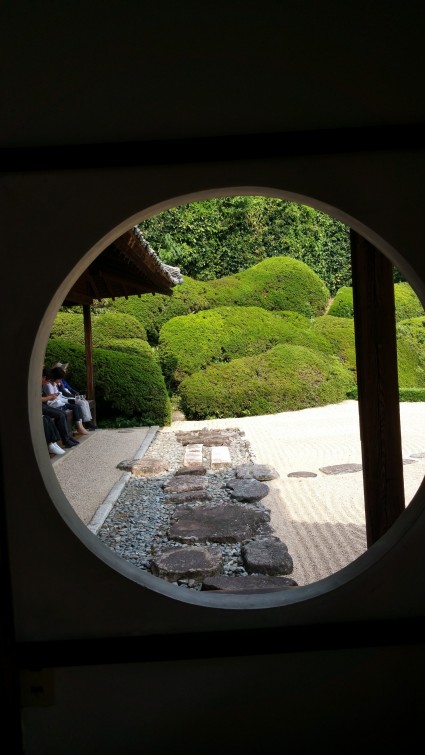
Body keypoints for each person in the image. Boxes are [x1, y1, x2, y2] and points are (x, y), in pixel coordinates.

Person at [42, 368, 89, 437]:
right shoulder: (48, 385)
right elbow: (53, 398)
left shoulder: (54, 384)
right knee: (74, 408)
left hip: (59, 402)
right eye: (60, 379)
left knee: (77, 406)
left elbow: (58, 395)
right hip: (55, 404)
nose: (61, 381)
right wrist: (67, 400)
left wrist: (69, 399)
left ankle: (80, 426)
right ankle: (77, 428)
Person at [51, 362, 97, 430]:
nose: (65, 370)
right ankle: (86, 423)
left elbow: (70, 389)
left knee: (85, 401)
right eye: (64, 369)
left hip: (67, 397)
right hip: (65, 398)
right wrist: (74, 397)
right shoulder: (57, 382)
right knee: (82, 403)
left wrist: (77, 394)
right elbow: (63, 392)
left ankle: (87, 421)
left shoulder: (62, 380)